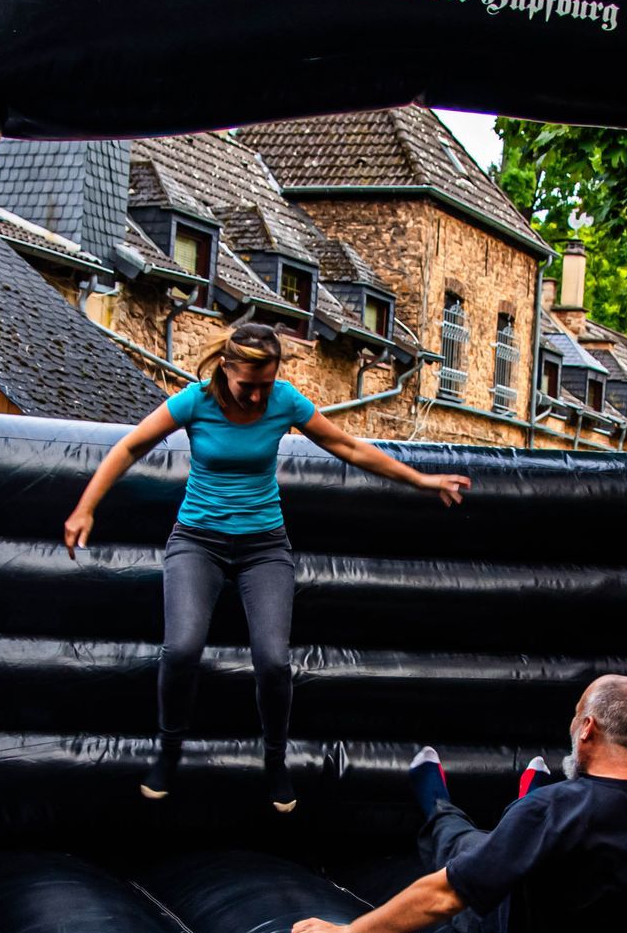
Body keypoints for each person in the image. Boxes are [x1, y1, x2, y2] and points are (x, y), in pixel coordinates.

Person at [63, 322, 469, 812]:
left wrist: (421, 481)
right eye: (247, 386)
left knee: (274, 662)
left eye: (266, 385)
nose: (257, 397)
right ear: (225, 369)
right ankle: (169, 750)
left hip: (264, 547)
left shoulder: (285, 400)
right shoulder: (195, 401)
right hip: (197, 541)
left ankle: (274, 759)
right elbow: (130, 446)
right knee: (182, 649)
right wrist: (85, 507)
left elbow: (347, 447)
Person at [291, 674, 627, 933]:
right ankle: (516, 805)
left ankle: (437, 802)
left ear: (587, 729)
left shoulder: (554, 809)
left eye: (576, 714)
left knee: (464, 842)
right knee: (516, 838)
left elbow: (443, 895)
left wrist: (349, 932)